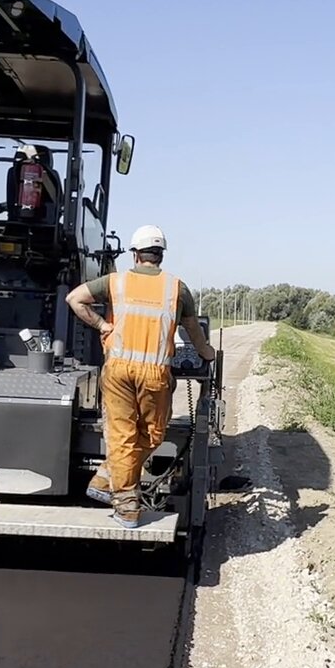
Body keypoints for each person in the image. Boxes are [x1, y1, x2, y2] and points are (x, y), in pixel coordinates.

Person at [65, 225, 216, 528]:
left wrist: (101, 325)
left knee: (123, 437)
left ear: (135, 254)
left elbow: (74, 298)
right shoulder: (177, 288)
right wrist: (207, 352)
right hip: (154, 375)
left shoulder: (115, 281)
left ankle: (106, 476)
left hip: (118, 371)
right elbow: (193, 330)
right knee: (152, 435)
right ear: (161, 255)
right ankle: (127, 506)